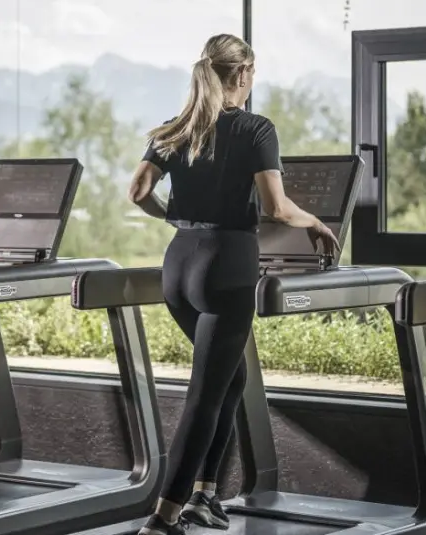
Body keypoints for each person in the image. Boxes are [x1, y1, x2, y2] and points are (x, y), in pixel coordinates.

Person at [129, 34, 340, 535]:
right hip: (227, 267)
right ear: (242, 75)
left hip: (179, 265)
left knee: (230, 381)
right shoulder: (255, 128)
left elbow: (138, 191)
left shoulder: (176, 129)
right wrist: (314, 224)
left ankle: (205, 494)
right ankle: (164, 517)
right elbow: (276, 208)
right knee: (205, 393)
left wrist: (177, 220)